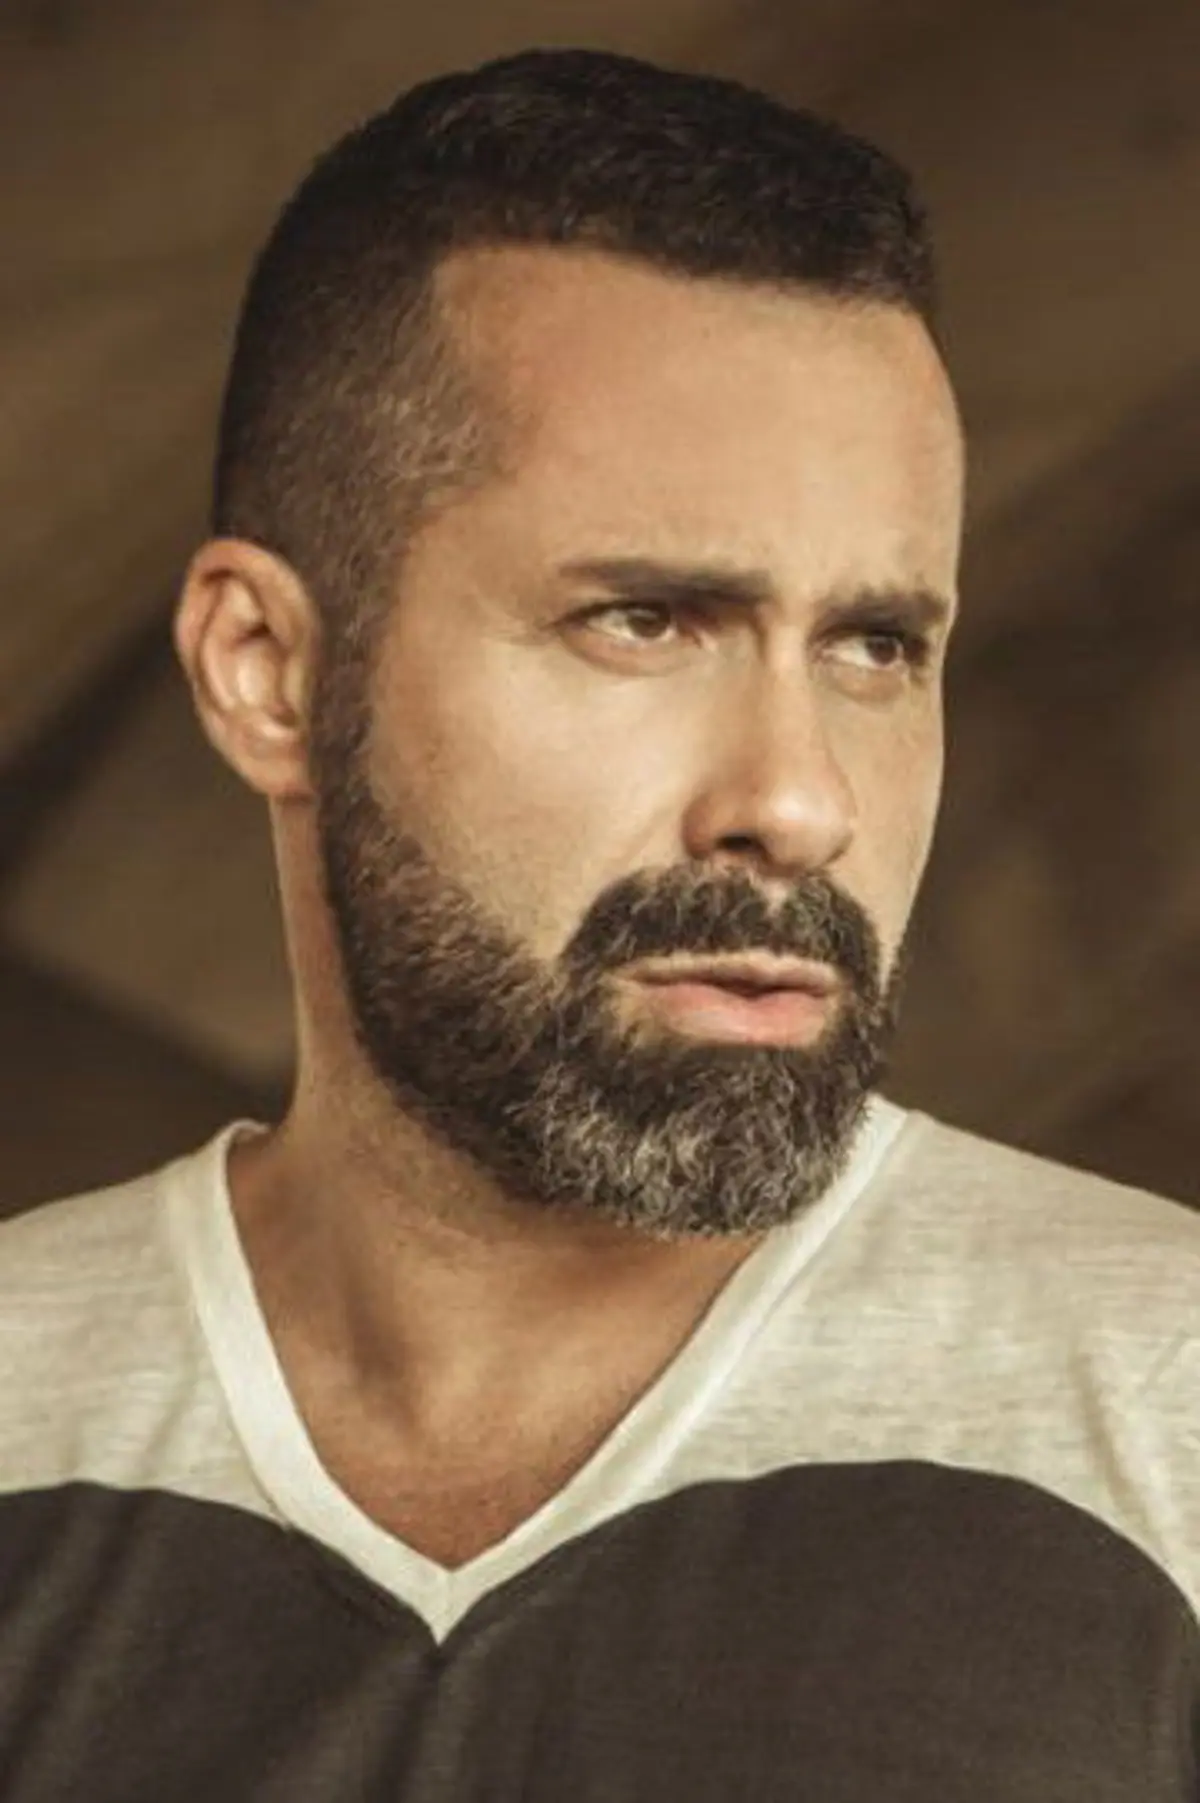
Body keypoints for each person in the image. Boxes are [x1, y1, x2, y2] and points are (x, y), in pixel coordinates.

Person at [0, 46, 1196, 1802]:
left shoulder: (1171, 1404)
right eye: (643, 621)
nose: (801, 800)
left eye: (875, 645)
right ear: (267, 671)